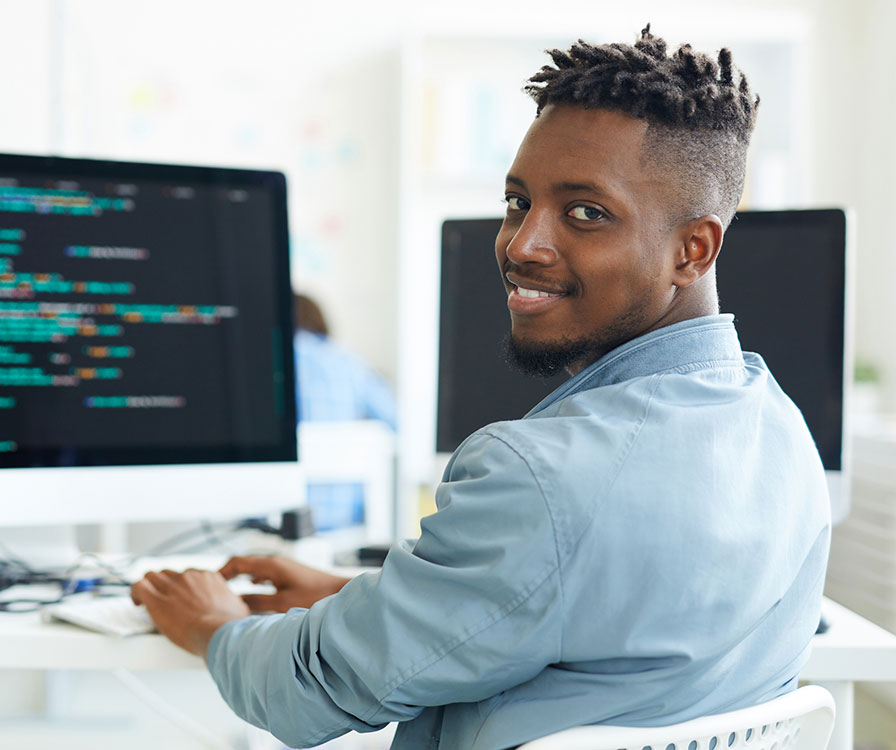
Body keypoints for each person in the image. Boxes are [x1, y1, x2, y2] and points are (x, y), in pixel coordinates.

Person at [131, 26, 830, 748]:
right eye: (517, 201)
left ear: (694, 249)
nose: (522, 243)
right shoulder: (780, 431)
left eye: (585, 212)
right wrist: (369, 599)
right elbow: (595, 627)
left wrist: (216, 624)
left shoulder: (541, 475)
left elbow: (308, 693)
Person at [292, 292, 398, 530]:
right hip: (347, 523)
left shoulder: (272, 360)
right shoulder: (349, 363)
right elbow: (396, 422)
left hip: (280, 520)